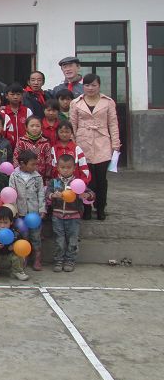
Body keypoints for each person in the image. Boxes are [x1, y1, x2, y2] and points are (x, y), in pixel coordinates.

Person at [70, 73, 121, 221]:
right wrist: (73, 144)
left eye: (94, 85)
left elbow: (113, 124)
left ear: (99, 86)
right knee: (86, 179)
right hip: (83, 142)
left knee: (101, 179)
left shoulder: (108, 102)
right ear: (83, 86)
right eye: (87, 85)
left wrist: (115, 144)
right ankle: (86, 208)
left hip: (102, 142)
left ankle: (100, 207)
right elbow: (73, 125)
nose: (90, 88)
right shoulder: (76, 103)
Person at [46, 154, 95, 272]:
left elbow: (92, 194)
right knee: (59, 240)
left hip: (74, 217)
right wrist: (53, 195)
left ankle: (70, 260)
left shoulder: (78, 183)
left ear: (74, 168)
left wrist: (86, 195)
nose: (65, 170)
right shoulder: (54, 182)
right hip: (57, 216)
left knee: (73, 240)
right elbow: (47, 194)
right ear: (58, 168)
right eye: (62, 167)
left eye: (68, 167)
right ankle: (58, 260)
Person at [10, 150, 46, 271]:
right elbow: (12, 193)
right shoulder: (14, 176)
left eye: (36, 164)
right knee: (23, 237)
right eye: (32, 164)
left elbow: (41, 193)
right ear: (22, 164)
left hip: (34, 213)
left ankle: (37, 259)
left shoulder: (37, 177)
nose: (35, 167)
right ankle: (23, 257)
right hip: (20, 213)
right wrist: (14, 210)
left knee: (36, 237)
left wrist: (42, 209)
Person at [0, 206, 29, 281]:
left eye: (5, 222)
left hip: (10, 259)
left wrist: (15, 246)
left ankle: (17, 271)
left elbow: (23, 244)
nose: (2, 225)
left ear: (11, 222)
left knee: (20, 251)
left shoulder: (16, 232)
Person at [13, 117, 53, 182]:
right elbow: (16, 159)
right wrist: (19, 174)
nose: (34, 128)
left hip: (41, 178)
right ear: (26, 127)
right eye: (32, 126)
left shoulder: (45, 143)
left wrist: (47, 177)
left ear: (41, 127)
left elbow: (48, 161)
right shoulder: (21, 142)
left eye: (37, 126)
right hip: (24, 178)